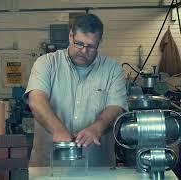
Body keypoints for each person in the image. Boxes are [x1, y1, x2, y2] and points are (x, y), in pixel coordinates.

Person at [23, 13, 128, 166]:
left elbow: (116, 107)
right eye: (79, 44)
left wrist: (97, 128)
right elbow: (36, 100)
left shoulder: (113, 69)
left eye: (91, 46)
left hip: (97, 167)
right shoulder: (46, 63)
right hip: (49, 166)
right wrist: (57, 129)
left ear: (99, 42)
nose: (84, 51)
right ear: (71, 36)